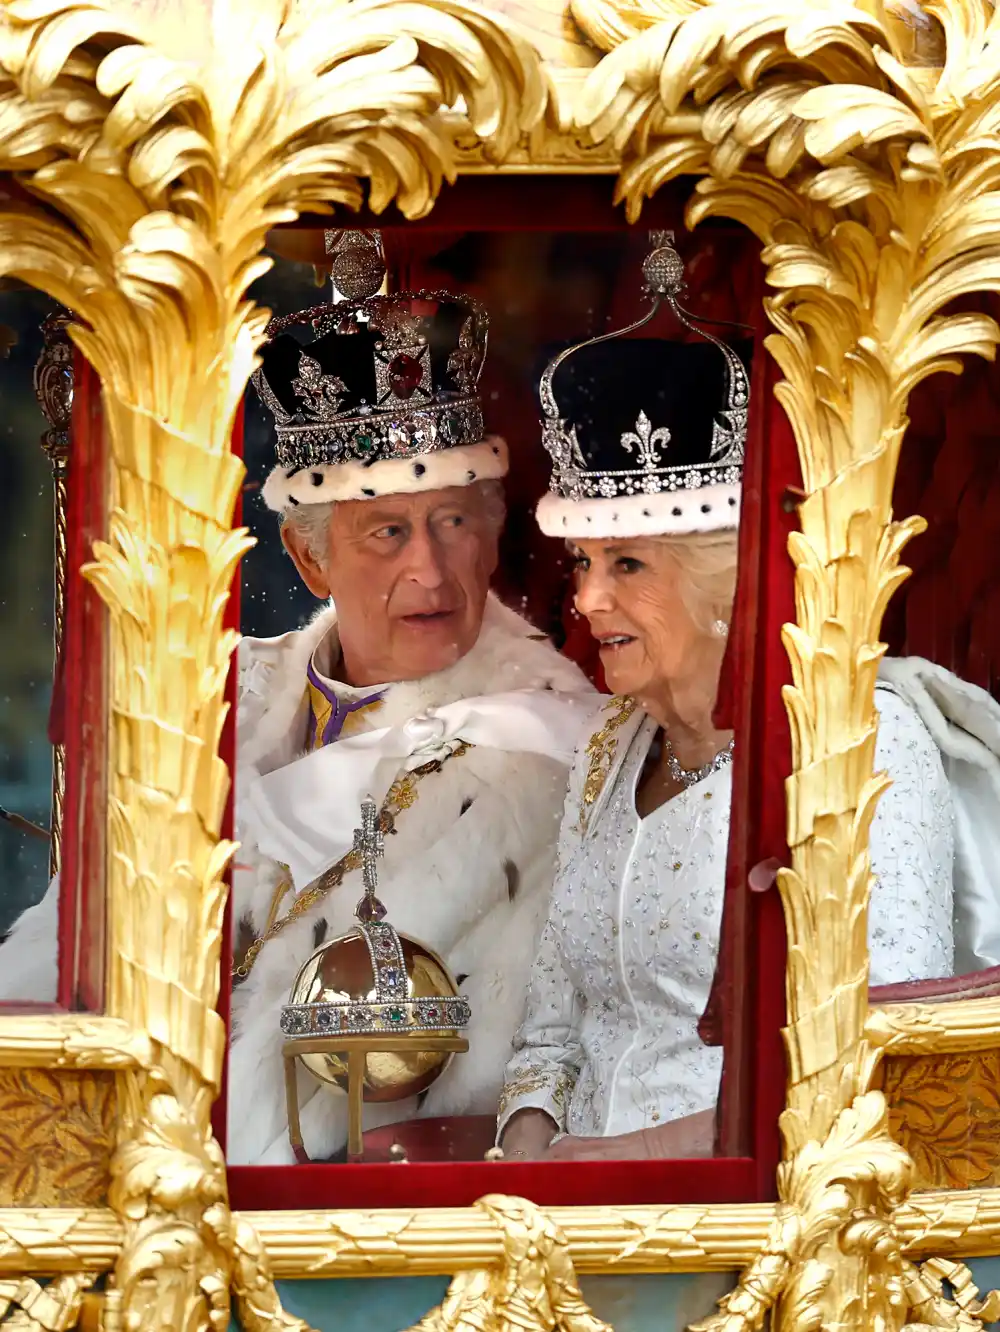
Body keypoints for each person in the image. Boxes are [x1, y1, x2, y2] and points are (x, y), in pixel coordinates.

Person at [0, 275, 597, 1166]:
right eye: (386, 533)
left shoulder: (565, 746)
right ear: (308, 557)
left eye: (452, 524)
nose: (431, 571)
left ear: (493, 531)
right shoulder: (211, 697)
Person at [497, 235, 958, 1163]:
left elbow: (875, 1081)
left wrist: (617, 1169)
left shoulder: (853, 741)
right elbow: (550, 1034)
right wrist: (528, 1153)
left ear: (724, 584)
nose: (588, 601)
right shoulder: (611, 745)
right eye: (584, 563)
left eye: (629, 565)